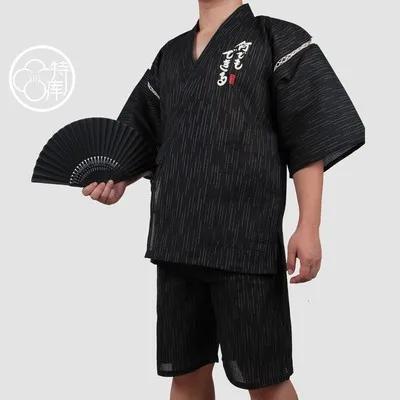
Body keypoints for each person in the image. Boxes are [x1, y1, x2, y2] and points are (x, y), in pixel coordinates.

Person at [82, 1, 365, 399]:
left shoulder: (275, 38)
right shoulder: (170, 55)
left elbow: (308, 135)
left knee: (265, 379)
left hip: (245, 244)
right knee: (186, 376)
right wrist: (116, 179)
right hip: (176, 240)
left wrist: (308, 225)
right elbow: (139, 139)